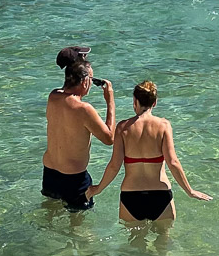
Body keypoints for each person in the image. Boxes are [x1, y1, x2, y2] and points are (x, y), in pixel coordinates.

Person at [89, 81, 211, 225]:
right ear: (155, 103)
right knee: (163, 245)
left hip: (131, 196)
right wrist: (190, 191)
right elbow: (173, 162)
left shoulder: (123, 128)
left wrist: (98, 188)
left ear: (135, 101)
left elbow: (114, 166)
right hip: (161, 195)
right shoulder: (164, 126)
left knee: (134, 245)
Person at [42, 57, 114, 211]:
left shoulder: (53, 96)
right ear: (85, 82)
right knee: (78, 229)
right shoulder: (84, 109)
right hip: (74, 178)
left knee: (49, 217)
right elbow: (109, 138)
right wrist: (110, 101)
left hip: (49, 173)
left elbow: (65, 92)